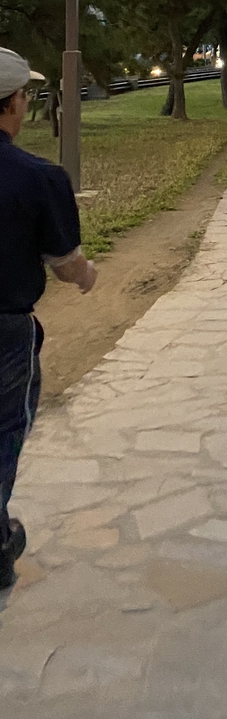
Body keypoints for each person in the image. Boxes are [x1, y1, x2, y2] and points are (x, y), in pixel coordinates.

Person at [0, 48, 97, 590]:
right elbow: (65, 265)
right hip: (5, 331)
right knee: (4, 428)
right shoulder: (37, 177)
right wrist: (87, 276)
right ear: (14, 103)